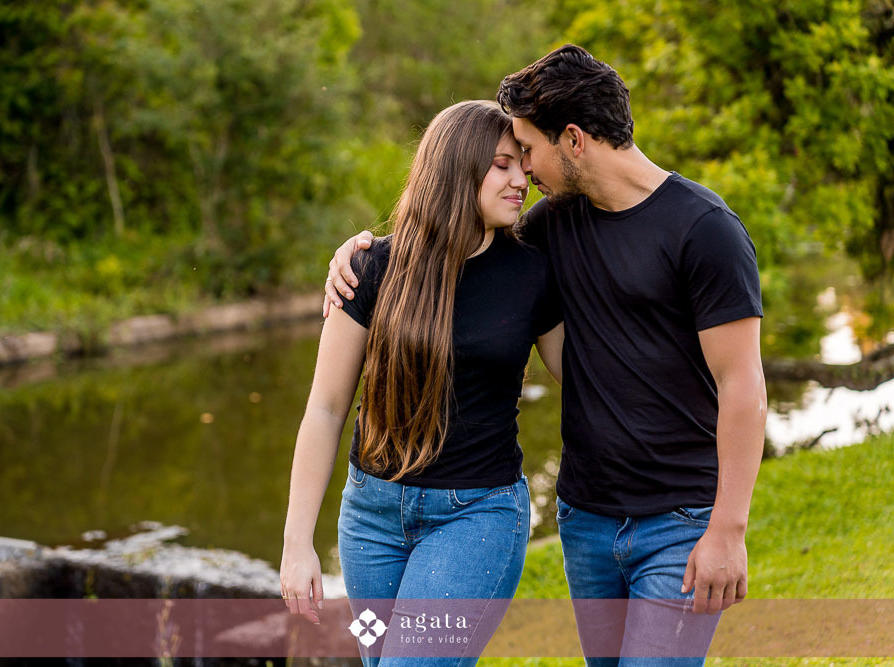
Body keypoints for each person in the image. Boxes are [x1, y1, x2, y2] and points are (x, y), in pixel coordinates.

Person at [324, 45, 767, 665]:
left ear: (575, 140)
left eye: (528, 150)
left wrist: (728, 528)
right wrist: (359, 254)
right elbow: (455, 250)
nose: (524, 171)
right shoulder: (549, 227)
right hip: (586, 516)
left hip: (679, 517)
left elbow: (743, 382)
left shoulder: (704, 229)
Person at [281, 99, 564, 666]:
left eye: (523, 165)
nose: (521, 179)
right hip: (371, 520)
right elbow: (327, 408)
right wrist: (296, 543)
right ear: (458, 168)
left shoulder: (533, 272)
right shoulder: (370, 268)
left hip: (477, 515)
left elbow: (582, 381)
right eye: (503, 164)